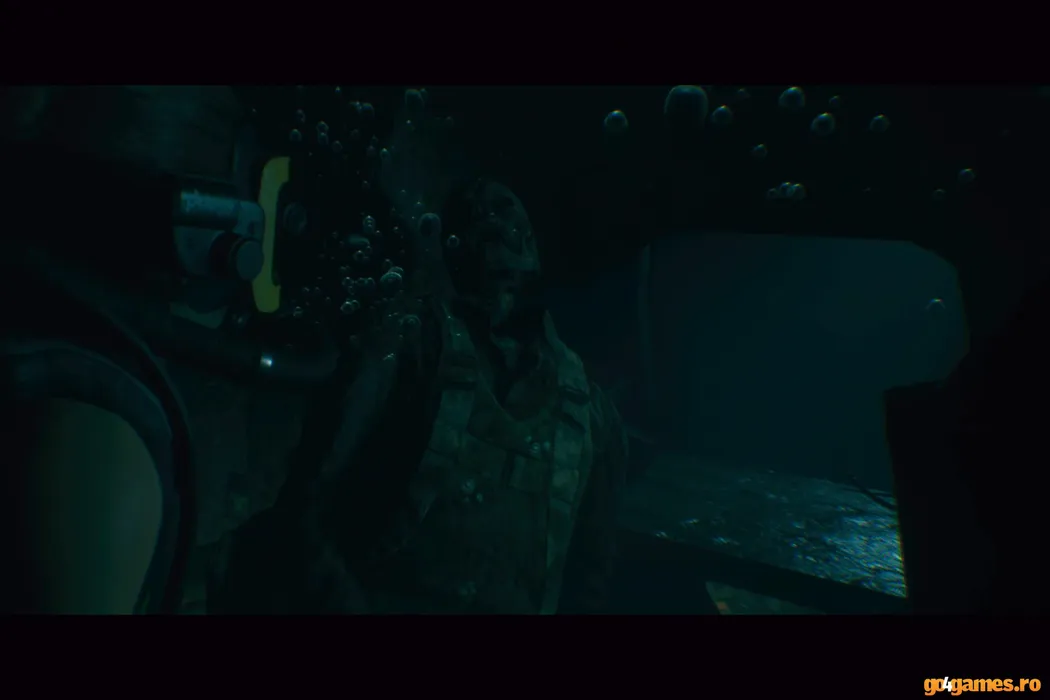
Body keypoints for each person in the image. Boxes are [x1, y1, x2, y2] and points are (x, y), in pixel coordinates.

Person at [211, 179, 629, 613]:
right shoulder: (407, 348)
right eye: (479, 215)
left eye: (506, 213)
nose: (495, 218)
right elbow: (302, 513)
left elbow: (589, 585)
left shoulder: (592, 417)